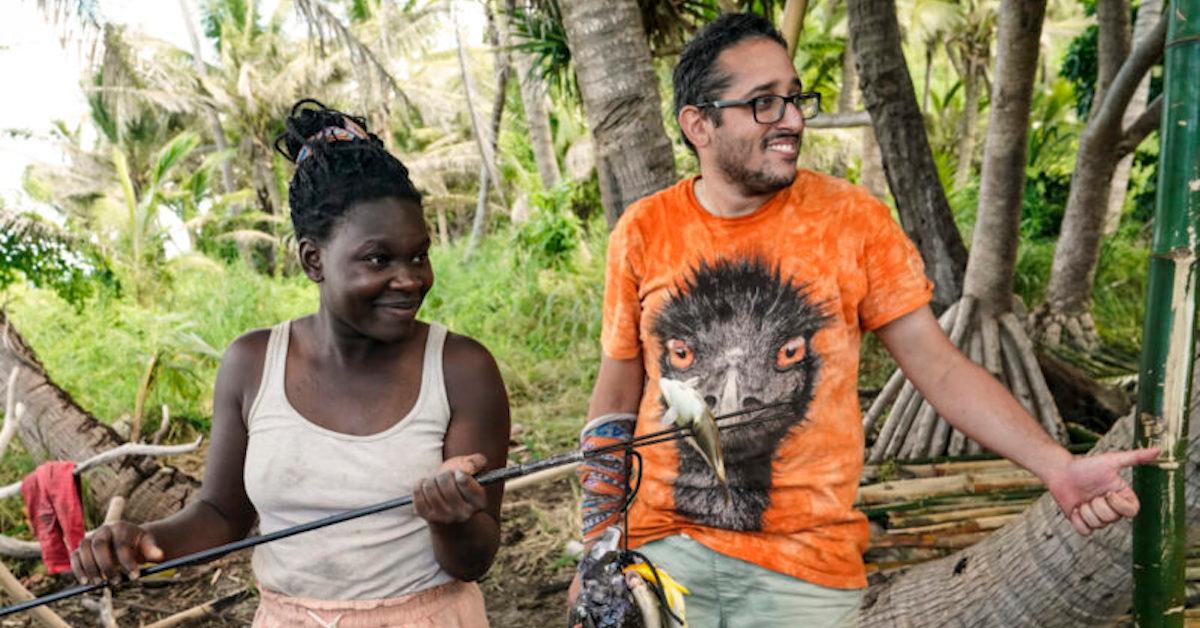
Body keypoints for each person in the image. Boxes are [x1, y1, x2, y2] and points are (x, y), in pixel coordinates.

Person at [573, 13, 1158, 628]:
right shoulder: (643, 229)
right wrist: (598, 547)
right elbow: (616, 391)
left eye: (795, 98)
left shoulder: (851, 219)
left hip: (805, 572)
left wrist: (1057, 466)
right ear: (699, 123)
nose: (794, 119)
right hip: (660, 552)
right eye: (764, 104)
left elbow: (940, 369)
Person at [71, 99, 510, 627]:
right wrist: (142, 542)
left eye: (419, 255)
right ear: (312, 259)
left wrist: (450, 519)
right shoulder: (252, 364)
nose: (411, 279)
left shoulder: (462, 370)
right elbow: (222, 514)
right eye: (378, 259)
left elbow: (473, 559)